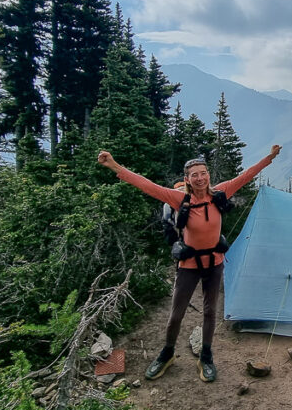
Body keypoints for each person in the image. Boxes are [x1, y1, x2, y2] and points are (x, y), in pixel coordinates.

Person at [97, 145, 282, 382]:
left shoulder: (220, 193)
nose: (200, 178)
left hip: (214, 263)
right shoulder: (179, 198)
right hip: (189, 265)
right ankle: (167, 353)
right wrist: (114, 165)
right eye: (194, 175)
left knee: (210, 312)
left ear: (208, 175)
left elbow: (245, 176)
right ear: (187, 179)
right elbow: (147, 186)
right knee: (176, 313)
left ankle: (206, 356)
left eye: (203, 173)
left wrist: (269, 157)